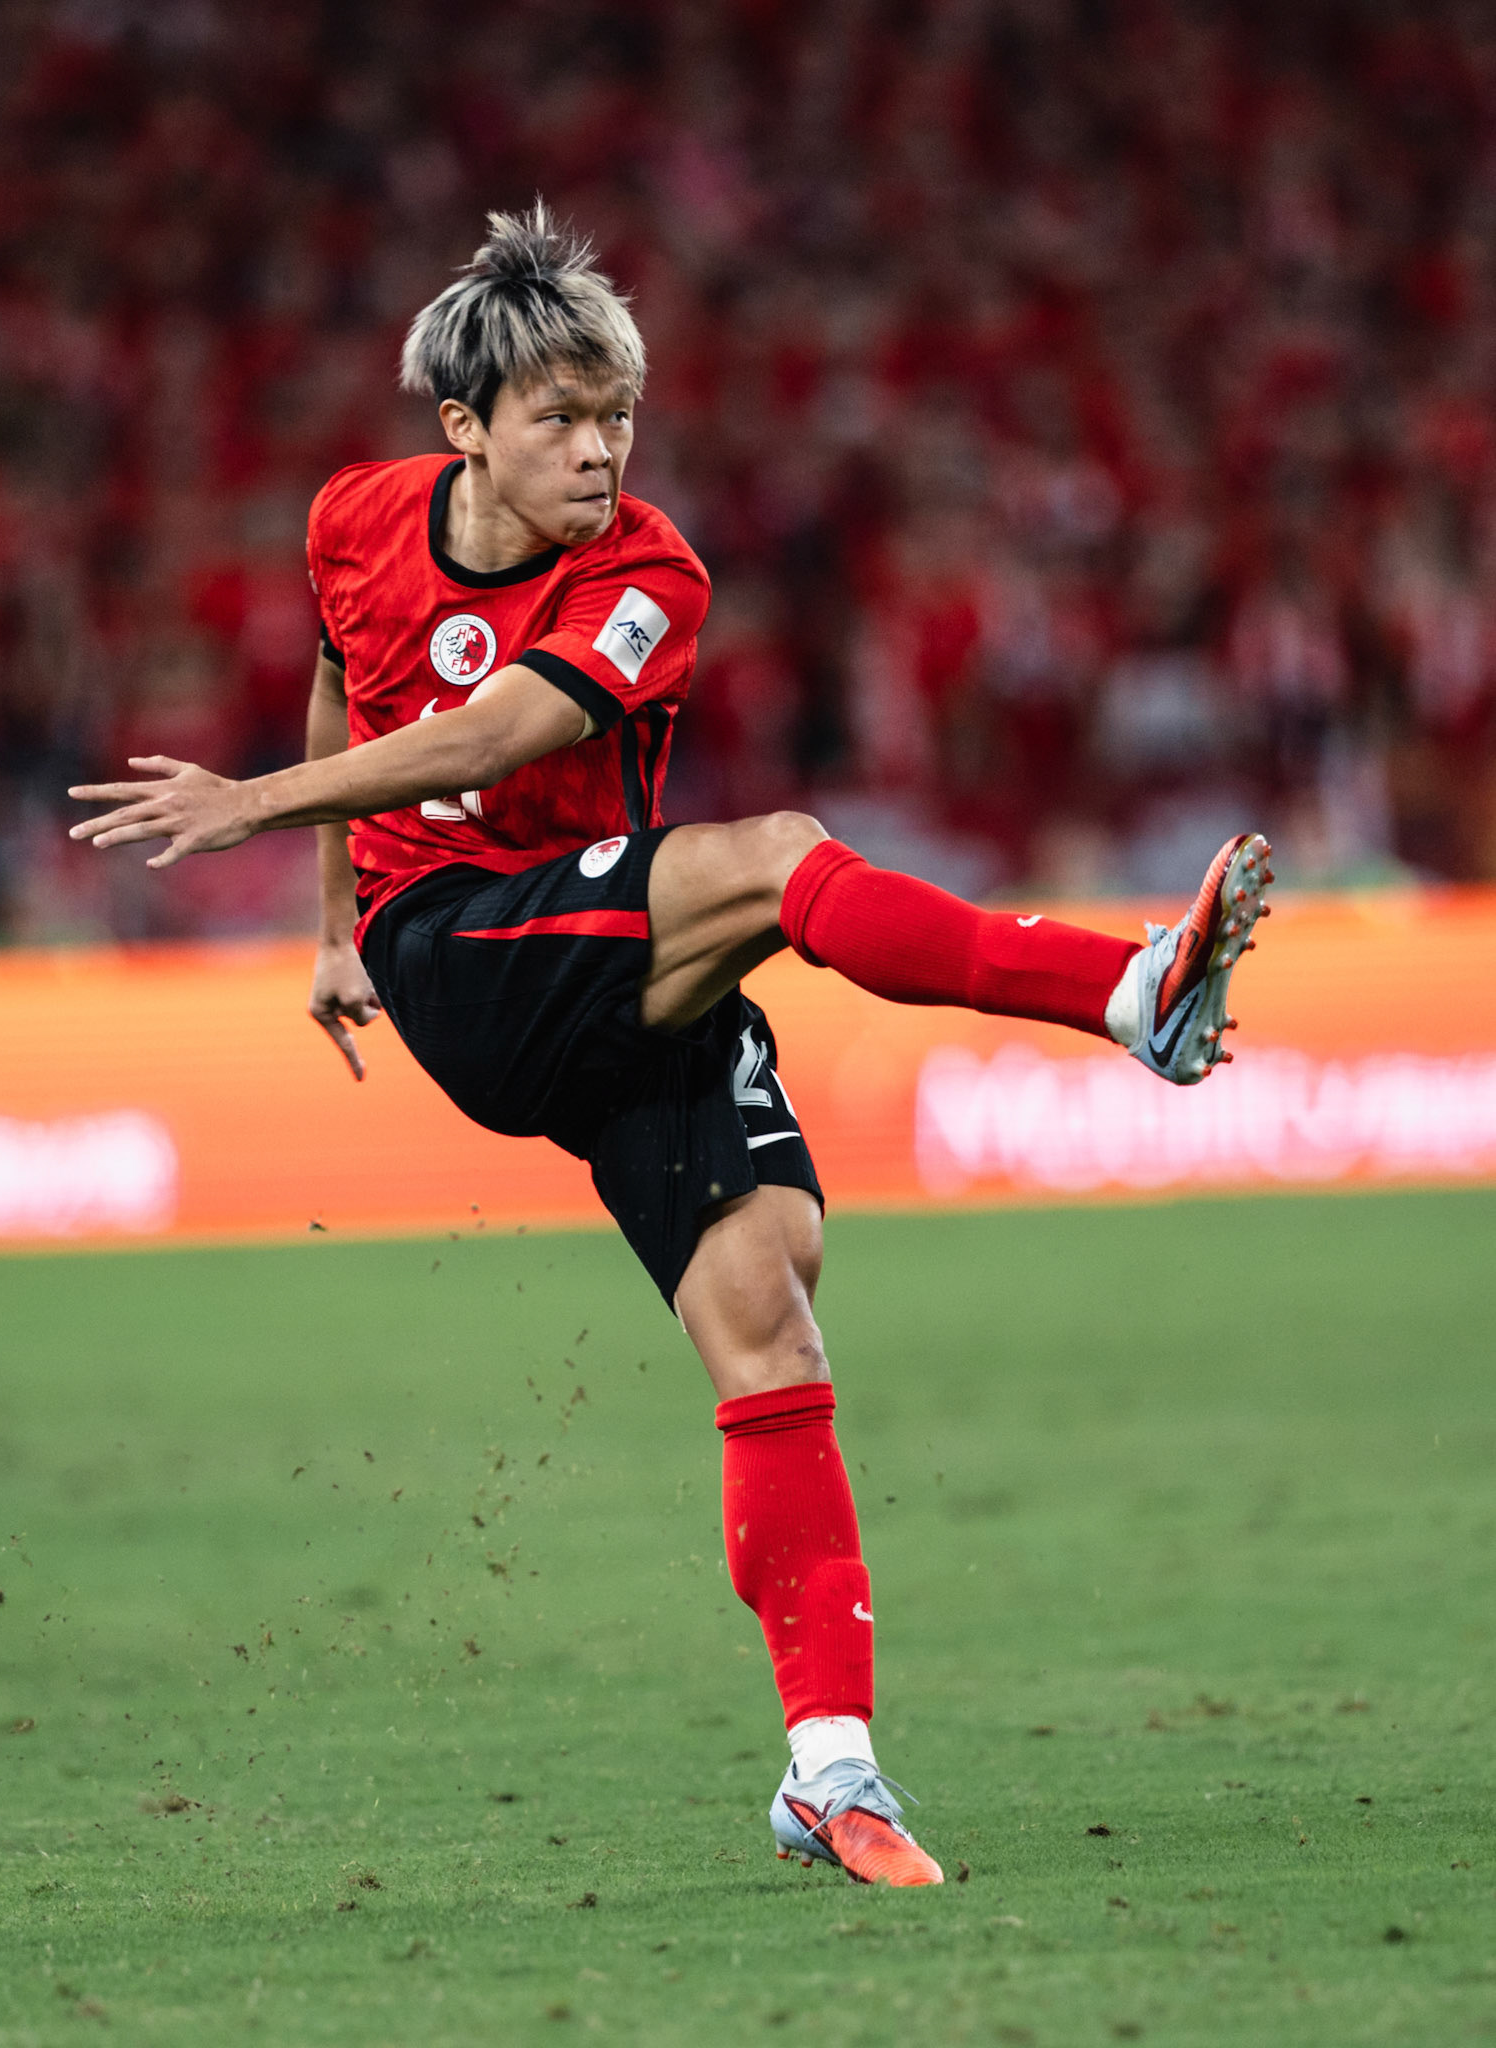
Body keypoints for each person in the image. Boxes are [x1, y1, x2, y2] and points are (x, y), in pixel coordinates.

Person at [69, 204, 1273, 1889]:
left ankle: (829, 1775)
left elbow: (509, 725)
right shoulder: (353, 518)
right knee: (775, 858)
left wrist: (256, 812)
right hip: (467, 956)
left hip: (623, 976)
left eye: (614, 415)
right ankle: (1124, 997)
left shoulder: (650, 568)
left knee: (771, 1315)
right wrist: (339, 925)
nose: (595, 448)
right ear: (464, 430)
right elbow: (355, 691)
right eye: (556, 418)